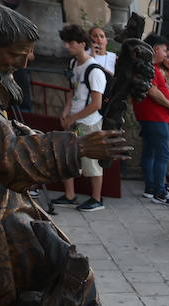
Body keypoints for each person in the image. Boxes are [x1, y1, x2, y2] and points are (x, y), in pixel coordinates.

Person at [55, 25, 106, 212]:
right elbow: (72, 90)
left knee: (92, 160)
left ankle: (96, 198)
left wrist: (73, 117)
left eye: (71, 43)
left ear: (82, 44)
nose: (67, 46)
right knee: (67, 157)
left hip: (89, 121)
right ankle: (70, 195)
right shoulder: (73, 64)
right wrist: (66, 111)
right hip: (74, 118)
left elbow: (96, 103)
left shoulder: (94, 71)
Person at [133, 33, 169, 203]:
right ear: (155, 49)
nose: (166, 54)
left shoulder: (146, 67)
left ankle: (150, 188)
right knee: (163, 154)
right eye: (164, 50)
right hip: (157, 117)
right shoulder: (150, 68)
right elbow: (153, 91)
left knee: (150, 153)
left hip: (149, 116)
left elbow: (165, 93)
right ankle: (160, 192)